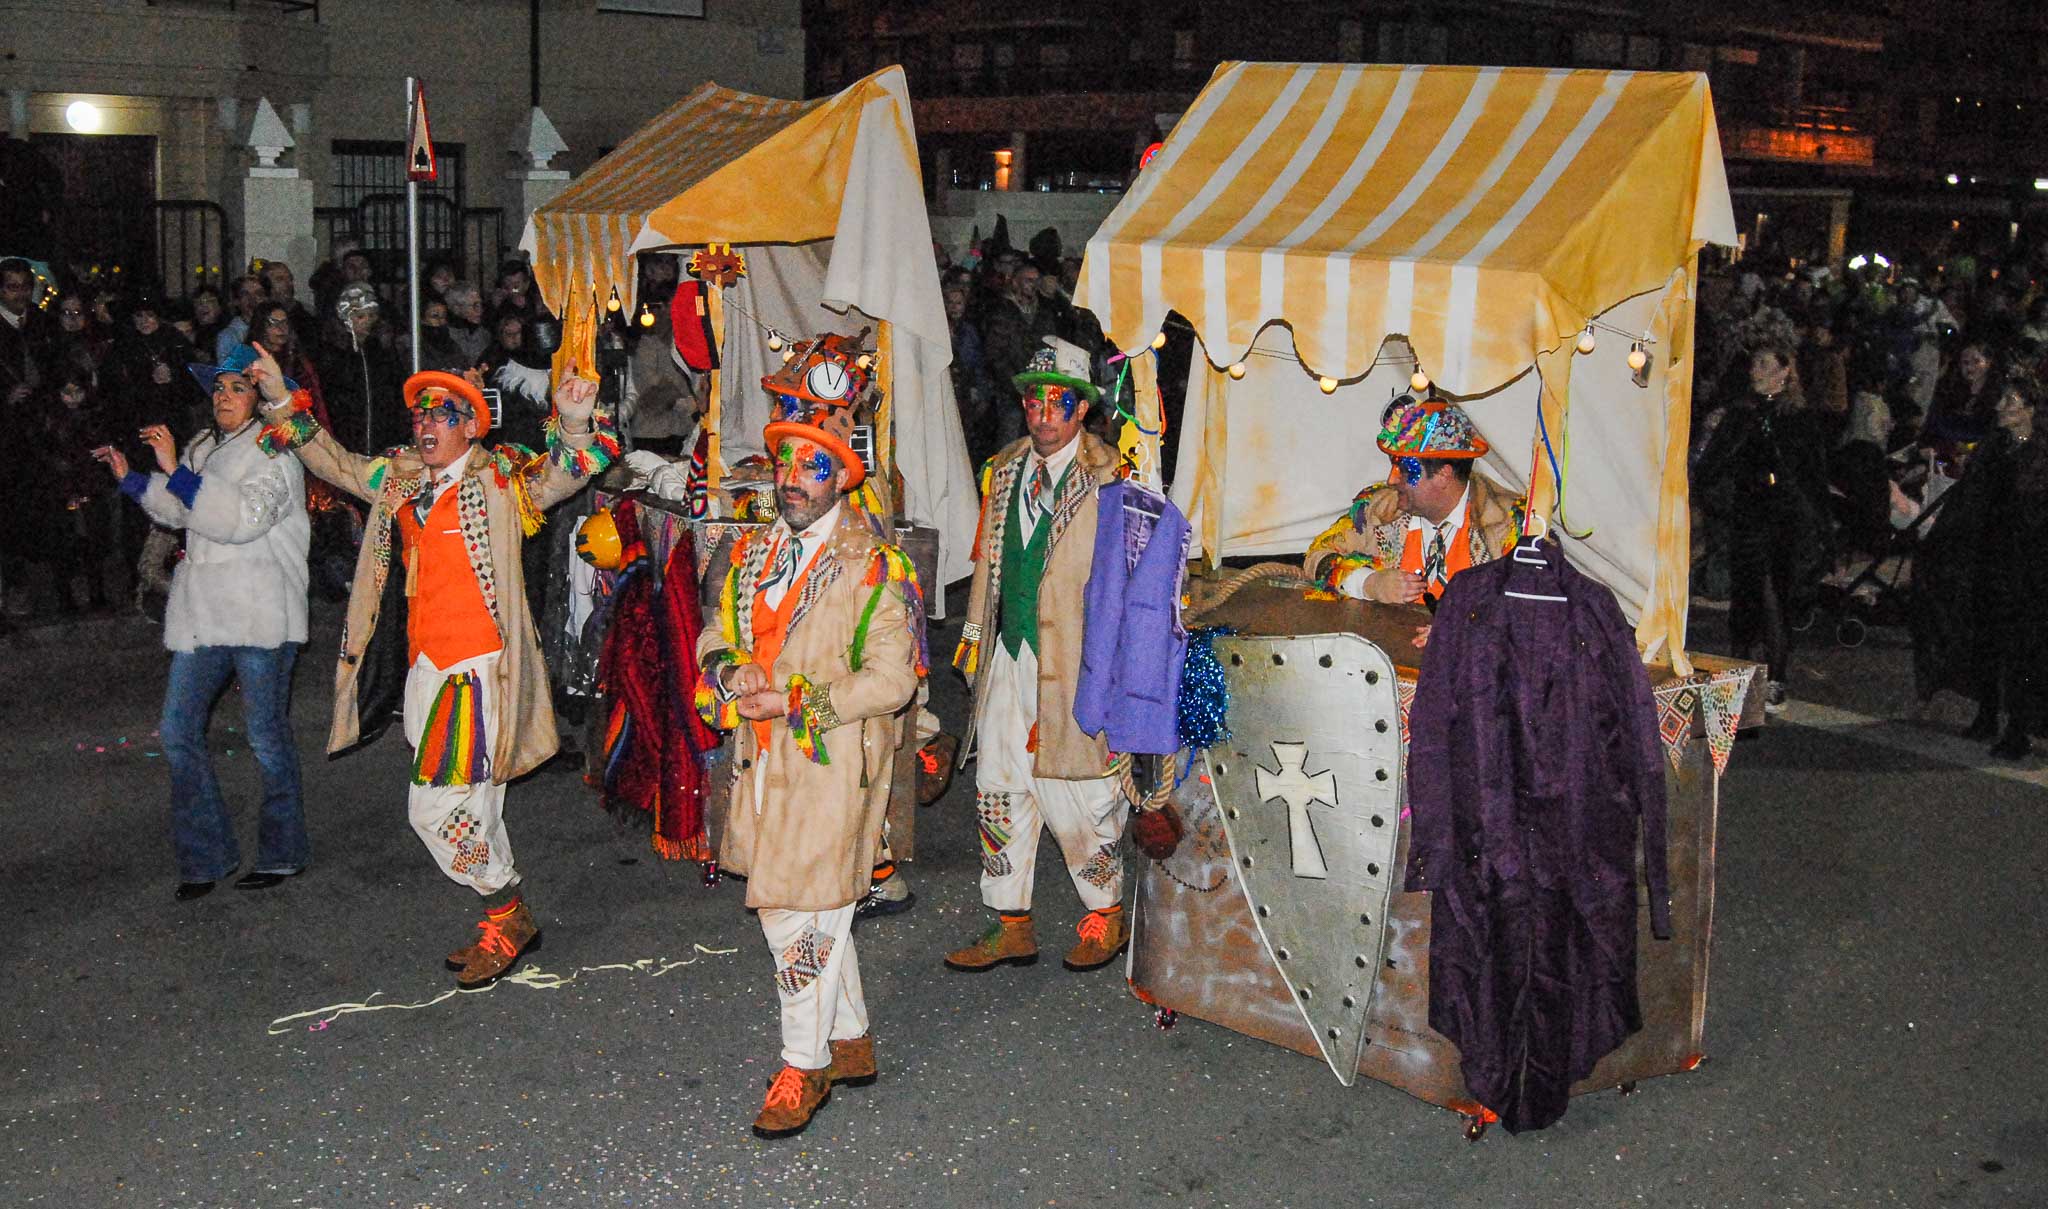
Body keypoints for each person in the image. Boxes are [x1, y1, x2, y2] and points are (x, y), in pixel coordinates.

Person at [252, 351, 618, 984]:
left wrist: (576, 422)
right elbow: (334, 462)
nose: (426, 425)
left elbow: (562, 476)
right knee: (477, 804)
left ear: (472, 428)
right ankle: (508, 921)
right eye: (421, 413)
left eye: (444, 414)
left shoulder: (501, 481)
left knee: (434, 808)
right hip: (426, 666)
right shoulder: (399, 478)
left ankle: (505, 905)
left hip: (476, 673)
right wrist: (283, 398)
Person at [695, 332, 926, 1139]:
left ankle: (806, 1065)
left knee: (797, 915)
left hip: (833, 767)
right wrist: (729, 674)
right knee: (813, 907)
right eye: (787, 462)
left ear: (842, 475)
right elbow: (713, 634)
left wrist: (797, 703)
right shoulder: (752, 551)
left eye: (813, 465)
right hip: (761, 763)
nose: (793, 480)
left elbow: (894, 681)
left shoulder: (874, 565)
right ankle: (852, 1036)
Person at [92, 344, 312, 900]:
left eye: (237, 387)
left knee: (266, 738)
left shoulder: (275, 450)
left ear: (259, 398)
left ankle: (283, 853)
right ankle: (206, 856)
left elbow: (239, 521)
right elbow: (178, 509)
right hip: (203, 613)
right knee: (177, 732)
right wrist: (133, 479)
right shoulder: (202, 446)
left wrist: (173, 473)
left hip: (262, 613)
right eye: (218, 388)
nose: (224, 396)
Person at [946, 335, 1132, 975]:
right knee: (998, 786)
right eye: (1033, 400)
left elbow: (1133, 585)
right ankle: (1010, 921)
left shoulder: (1114, 477)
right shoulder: (1003, 469)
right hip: (1007, 653)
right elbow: (986, 569)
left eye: (1058, 401)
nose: (1043, 413)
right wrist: (973, 640)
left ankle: (1105, 914)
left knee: (1075, 790)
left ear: (1082, 408)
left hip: (1075, 662)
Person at [1910, 376, 2047, 759]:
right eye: (2003, 398)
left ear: (2029, 410)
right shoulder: (1994, 448)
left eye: (2012, 400)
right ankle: (1987, 714)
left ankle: (2018, 727)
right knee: (1985, 640)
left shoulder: (2038, 454)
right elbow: (1971, 500)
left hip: (2027, 564)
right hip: (1989, 557)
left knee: (2021, 649)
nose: (2003, 406)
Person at [1692, 344, 1830, 713]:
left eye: (1765, 364)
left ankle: (1776, 677)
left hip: (1784, 518)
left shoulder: (1798, 418)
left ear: (1785, 371)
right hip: (1749, 513)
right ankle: (1737, 673)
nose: (1756, 370)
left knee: (1774, 594)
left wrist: (1820, 525)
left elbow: (1812, 475)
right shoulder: (1741, 414)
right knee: (1745, 595)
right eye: (1755, 363)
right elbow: (1715, 463)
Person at [1302, 396, 1527, 610]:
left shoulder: (1514, 526)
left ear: (1443, 475)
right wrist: (1368, 583)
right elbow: (1317, 557)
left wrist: (1459, 630)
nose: (1392, 479)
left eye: (1406, 469)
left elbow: (1530, 611)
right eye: (1393, 464)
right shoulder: (1378, 507)